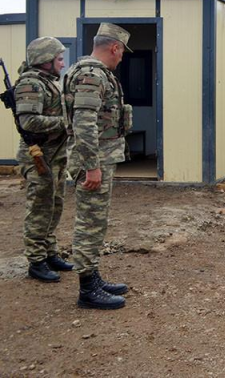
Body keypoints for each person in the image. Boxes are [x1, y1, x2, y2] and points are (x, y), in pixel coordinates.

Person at [65, 22, 134, 309]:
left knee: (96, 220)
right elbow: (84, 121)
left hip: (100, 157)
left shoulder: (92, 72)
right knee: (89, 222)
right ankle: (87, 290)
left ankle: (92, 276)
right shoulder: (92, 75)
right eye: (121, 52)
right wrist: (92, 166)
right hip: (94, 160)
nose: (121, 58)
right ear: (114, 47)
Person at [14, 37, 72, 282]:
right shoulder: (31, 84)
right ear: (44, 61)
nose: (62, 63)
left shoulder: (49, 83)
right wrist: (66, 123)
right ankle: (36, 260)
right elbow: (28, 122)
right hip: (38, 155)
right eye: (58, 59)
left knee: (54, 205)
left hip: (55, 155)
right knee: (39, 207)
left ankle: (49, 252)